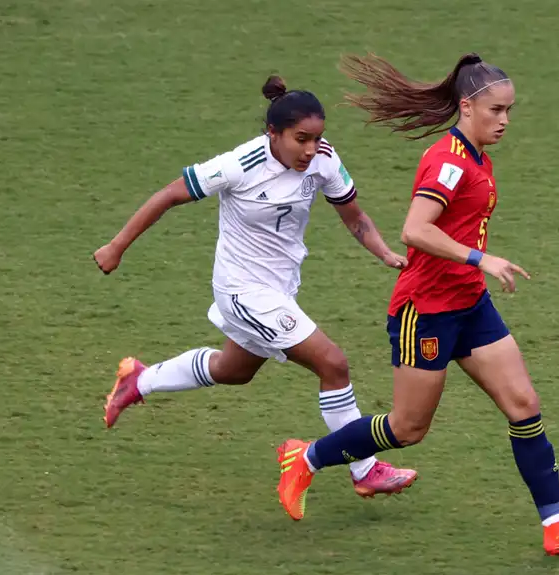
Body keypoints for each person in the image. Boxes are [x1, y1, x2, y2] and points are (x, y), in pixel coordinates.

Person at [275, 53, 559, 556]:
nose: (505, 120)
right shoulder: (448, 161)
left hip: (469, 305)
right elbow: (414, 230)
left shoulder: (476, 156)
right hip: (425, 310)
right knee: (407, 428)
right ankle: (306, 458)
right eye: (496, 110)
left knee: (524, 406)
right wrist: (480, 258)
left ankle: (556, 525)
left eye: (510, 110)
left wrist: (475, 270)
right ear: (467, 107)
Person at [93, 75, 417, 498]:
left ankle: (138, 380)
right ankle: (364, 468)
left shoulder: (323, 159)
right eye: (300, 139)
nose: (309, 149)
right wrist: (116, 246)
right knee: (333, 364)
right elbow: (169, 195)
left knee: (234, 371)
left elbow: (354, 217)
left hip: (280, 289)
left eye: (316, 138)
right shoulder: (239, 165)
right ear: (273, 134)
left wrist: (384, 253)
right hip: (242, 292)